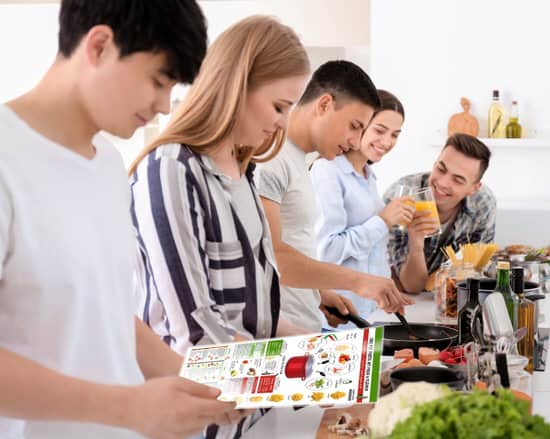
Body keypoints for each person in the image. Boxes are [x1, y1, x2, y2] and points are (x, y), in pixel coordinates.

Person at [0, 1, 248, 438]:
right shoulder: (8, 160)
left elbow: (108, 313)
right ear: (99, 46)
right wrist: (127, 407)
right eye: (158, 81)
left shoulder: (110, 166)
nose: (164, 106)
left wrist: (197, 381)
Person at [128, 16, 310, 438]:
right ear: (237, 85)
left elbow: (251, 309)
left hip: (251, 416)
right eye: (279, 106)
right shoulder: (170, 171)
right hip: (197, 421)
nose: (284, 123)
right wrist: (309, 377)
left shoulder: (244, 173)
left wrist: (313, 347)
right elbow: (195, 335)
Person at [257, 61, 412, 334]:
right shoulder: (273, 159)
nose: (355, 141)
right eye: (354, 126)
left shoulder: (300, 159)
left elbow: (297, 245)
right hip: (280, 332)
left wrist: (319, 293)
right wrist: (359, 281)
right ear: (325, 104)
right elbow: (273, 255)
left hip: (305, 326)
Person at [310, 90, 412, 328]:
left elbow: (370, 254)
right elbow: (327, 250)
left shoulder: (368, 176)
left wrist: (385, 292)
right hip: (336, 319)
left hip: (368, 316)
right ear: (361, 125)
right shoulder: (327, 170)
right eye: (380, 130)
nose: (387, 142)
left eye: (395, 135)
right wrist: (383, 221)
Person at [384, 133, 496, 293]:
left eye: (458, 180)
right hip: (402, 297)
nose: (442, 183)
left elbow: (475, 269)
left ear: (474, 188)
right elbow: (411, 287)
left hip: (451, 297)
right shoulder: (401, 197)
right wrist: (416, 244)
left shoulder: (483, 204)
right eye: (441, 169)